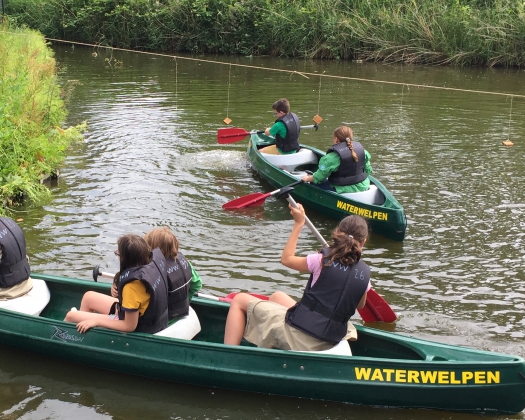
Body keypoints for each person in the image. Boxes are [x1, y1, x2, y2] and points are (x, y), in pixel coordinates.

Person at [224, 206, 370, 352]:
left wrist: (299, 223)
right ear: (363, 242)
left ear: (337, 232)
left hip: (302, 337)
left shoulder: (320, 259)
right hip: (331, 339)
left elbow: (286, 259)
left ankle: (228, 356)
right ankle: (272, 347)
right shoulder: (365, 275)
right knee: (277, 296)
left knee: (238, 300)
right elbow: (360, 305)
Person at [65, 234, 169, 334]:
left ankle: (68, 336)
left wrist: (96, 322)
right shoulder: (148, 267)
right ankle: (86, 334)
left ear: (125, 258)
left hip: (135, 323)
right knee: (88, 297)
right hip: (142, 315)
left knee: (71, 316)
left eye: (118, 254)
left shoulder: (132, 286)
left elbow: (129, 326)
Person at [144, 227, 203, 320]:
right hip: (182, 313)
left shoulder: (153, 272)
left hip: (161, 321)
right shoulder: (184, 262)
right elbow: (197, 284)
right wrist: (185, 301)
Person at [299, 125, 372, 193]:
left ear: (336, 139)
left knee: (313, 183)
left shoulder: (331, 158)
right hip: (363, 186)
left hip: (343, 190)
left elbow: (319, 178)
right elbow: (368, 170)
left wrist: (307, 178)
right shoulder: (363, 152)